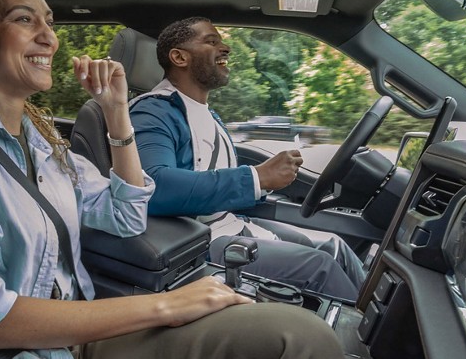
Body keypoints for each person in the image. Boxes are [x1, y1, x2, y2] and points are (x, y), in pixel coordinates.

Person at [0, 0, 344, 359]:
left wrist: (116, 113)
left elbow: (126, 215)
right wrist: (167, 306)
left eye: (49, 21)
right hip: (7, 348)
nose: (49, 36)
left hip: (72, 339)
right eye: (24, 19)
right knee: (300, 338)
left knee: (292, 334)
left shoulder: (39, 133)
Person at [130, 17, 366, 301]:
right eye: (211, 41)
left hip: (228, 223)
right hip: (195, 242)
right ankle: (368, 341)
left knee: (333, 245)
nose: (226, 47)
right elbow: (152, 184)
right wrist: (256, 177)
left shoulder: (205, 113)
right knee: (320, 267)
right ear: (179, 57)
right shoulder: (153, 112)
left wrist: (266, 180)